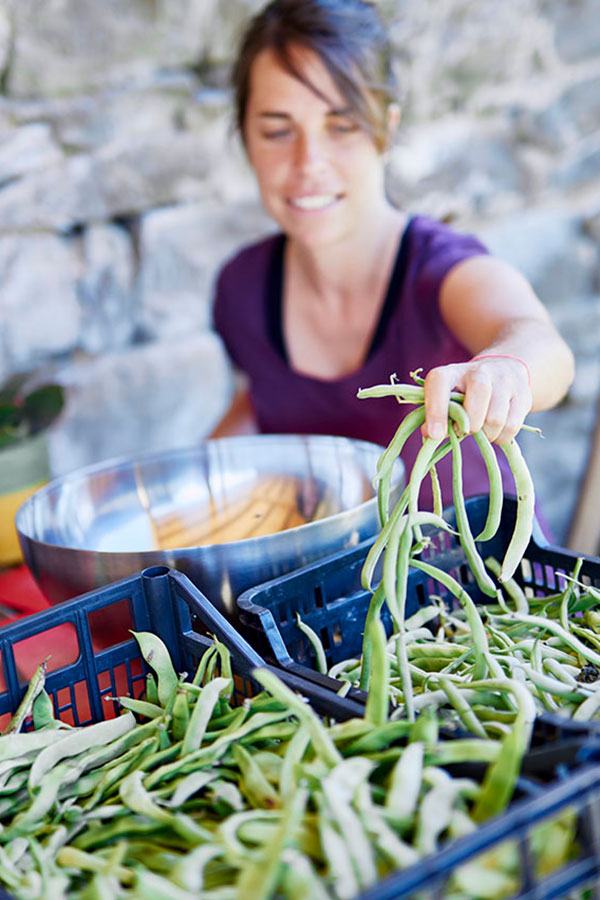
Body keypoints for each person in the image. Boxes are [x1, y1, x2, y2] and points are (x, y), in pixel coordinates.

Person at [211, 0, 574, 510]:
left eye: (342, 126)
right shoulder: (241, 287)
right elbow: (266, 404)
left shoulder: (440, 270)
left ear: (386, 129)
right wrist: (194, 485)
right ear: (246, 139)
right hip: (330, 584)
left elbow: (540, 343)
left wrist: (507, 369)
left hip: (477, 583)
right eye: (277, 131)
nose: (308, 164)